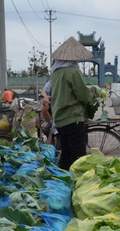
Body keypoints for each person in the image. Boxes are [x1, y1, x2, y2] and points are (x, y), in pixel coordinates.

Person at [50, 37, 98, 170]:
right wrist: (93, 94)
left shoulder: (56, 72)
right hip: (73, 119)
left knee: (66, 154)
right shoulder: (73, 71)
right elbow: (83, 95)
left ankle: (65, 183)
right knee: (78, 157)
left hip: (60, 119)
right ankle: (78, 185)